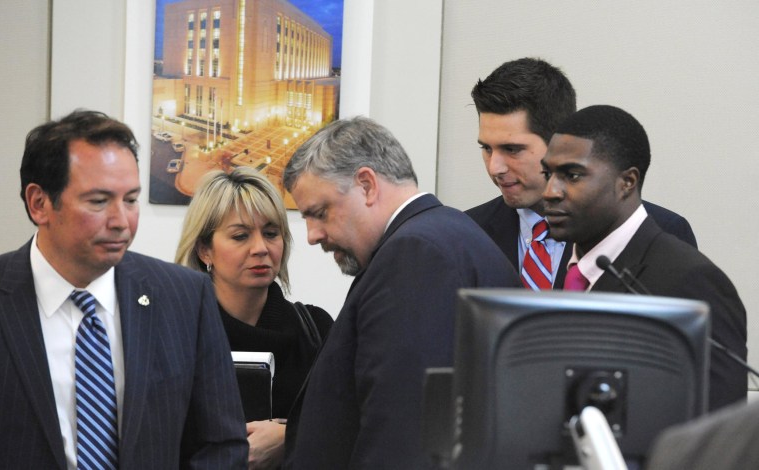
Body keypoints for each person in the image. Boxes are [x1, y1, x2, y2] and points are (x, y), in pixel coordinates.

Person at [0, 110, 247, 469]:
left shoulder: (185, 297)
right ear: (39, 203)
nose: (121, 222)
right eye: (98, 202)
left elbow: (221, 445)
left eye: (130, 200)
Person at [280, 116, 520, 468]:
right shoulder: (443, 234)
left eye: (319, 213)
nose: (313, 235)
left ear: (366, 185)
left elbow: (403, 432)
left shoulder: (417, 255)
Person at [540, 104, 747, 411]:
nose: (550, 191)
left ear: (627, 182)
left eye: (572, 175)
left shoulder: (690, 280)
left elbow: (720, 430)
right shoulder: (572, 268)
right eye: (548, 173)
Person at [465, 58, 697, 289]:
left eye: (512, 149)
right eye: (486, 148)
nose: (495, 167)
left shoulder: (660, 232)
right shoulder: (467, 232)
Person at [175, 166, 333, 469]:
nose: (260, 248)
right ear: (205, 250)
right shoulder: (175, 333)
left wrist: (290, 437)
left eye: (271, 233)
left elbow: (347, 421)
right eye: (240, 236)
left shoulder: (316, 329)